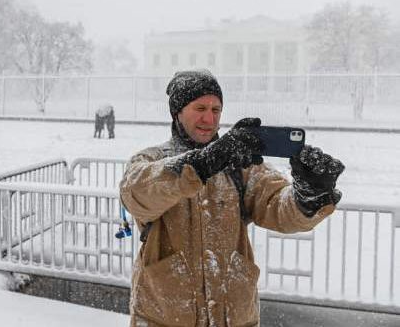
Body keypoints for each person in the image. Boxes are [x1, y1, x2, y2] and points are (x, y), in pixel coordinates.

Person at [120, 69, 344, 327]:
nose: (209, 118)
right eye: (200, 108)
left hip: (234, 318)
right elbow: (135, 193)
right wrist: (202, 163)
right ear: (177, 112)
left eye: (216, 110)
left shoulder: (240, 167)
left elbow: (279, 208)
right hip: (164, 316)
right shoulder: (151, 160)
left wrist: (310, 196)